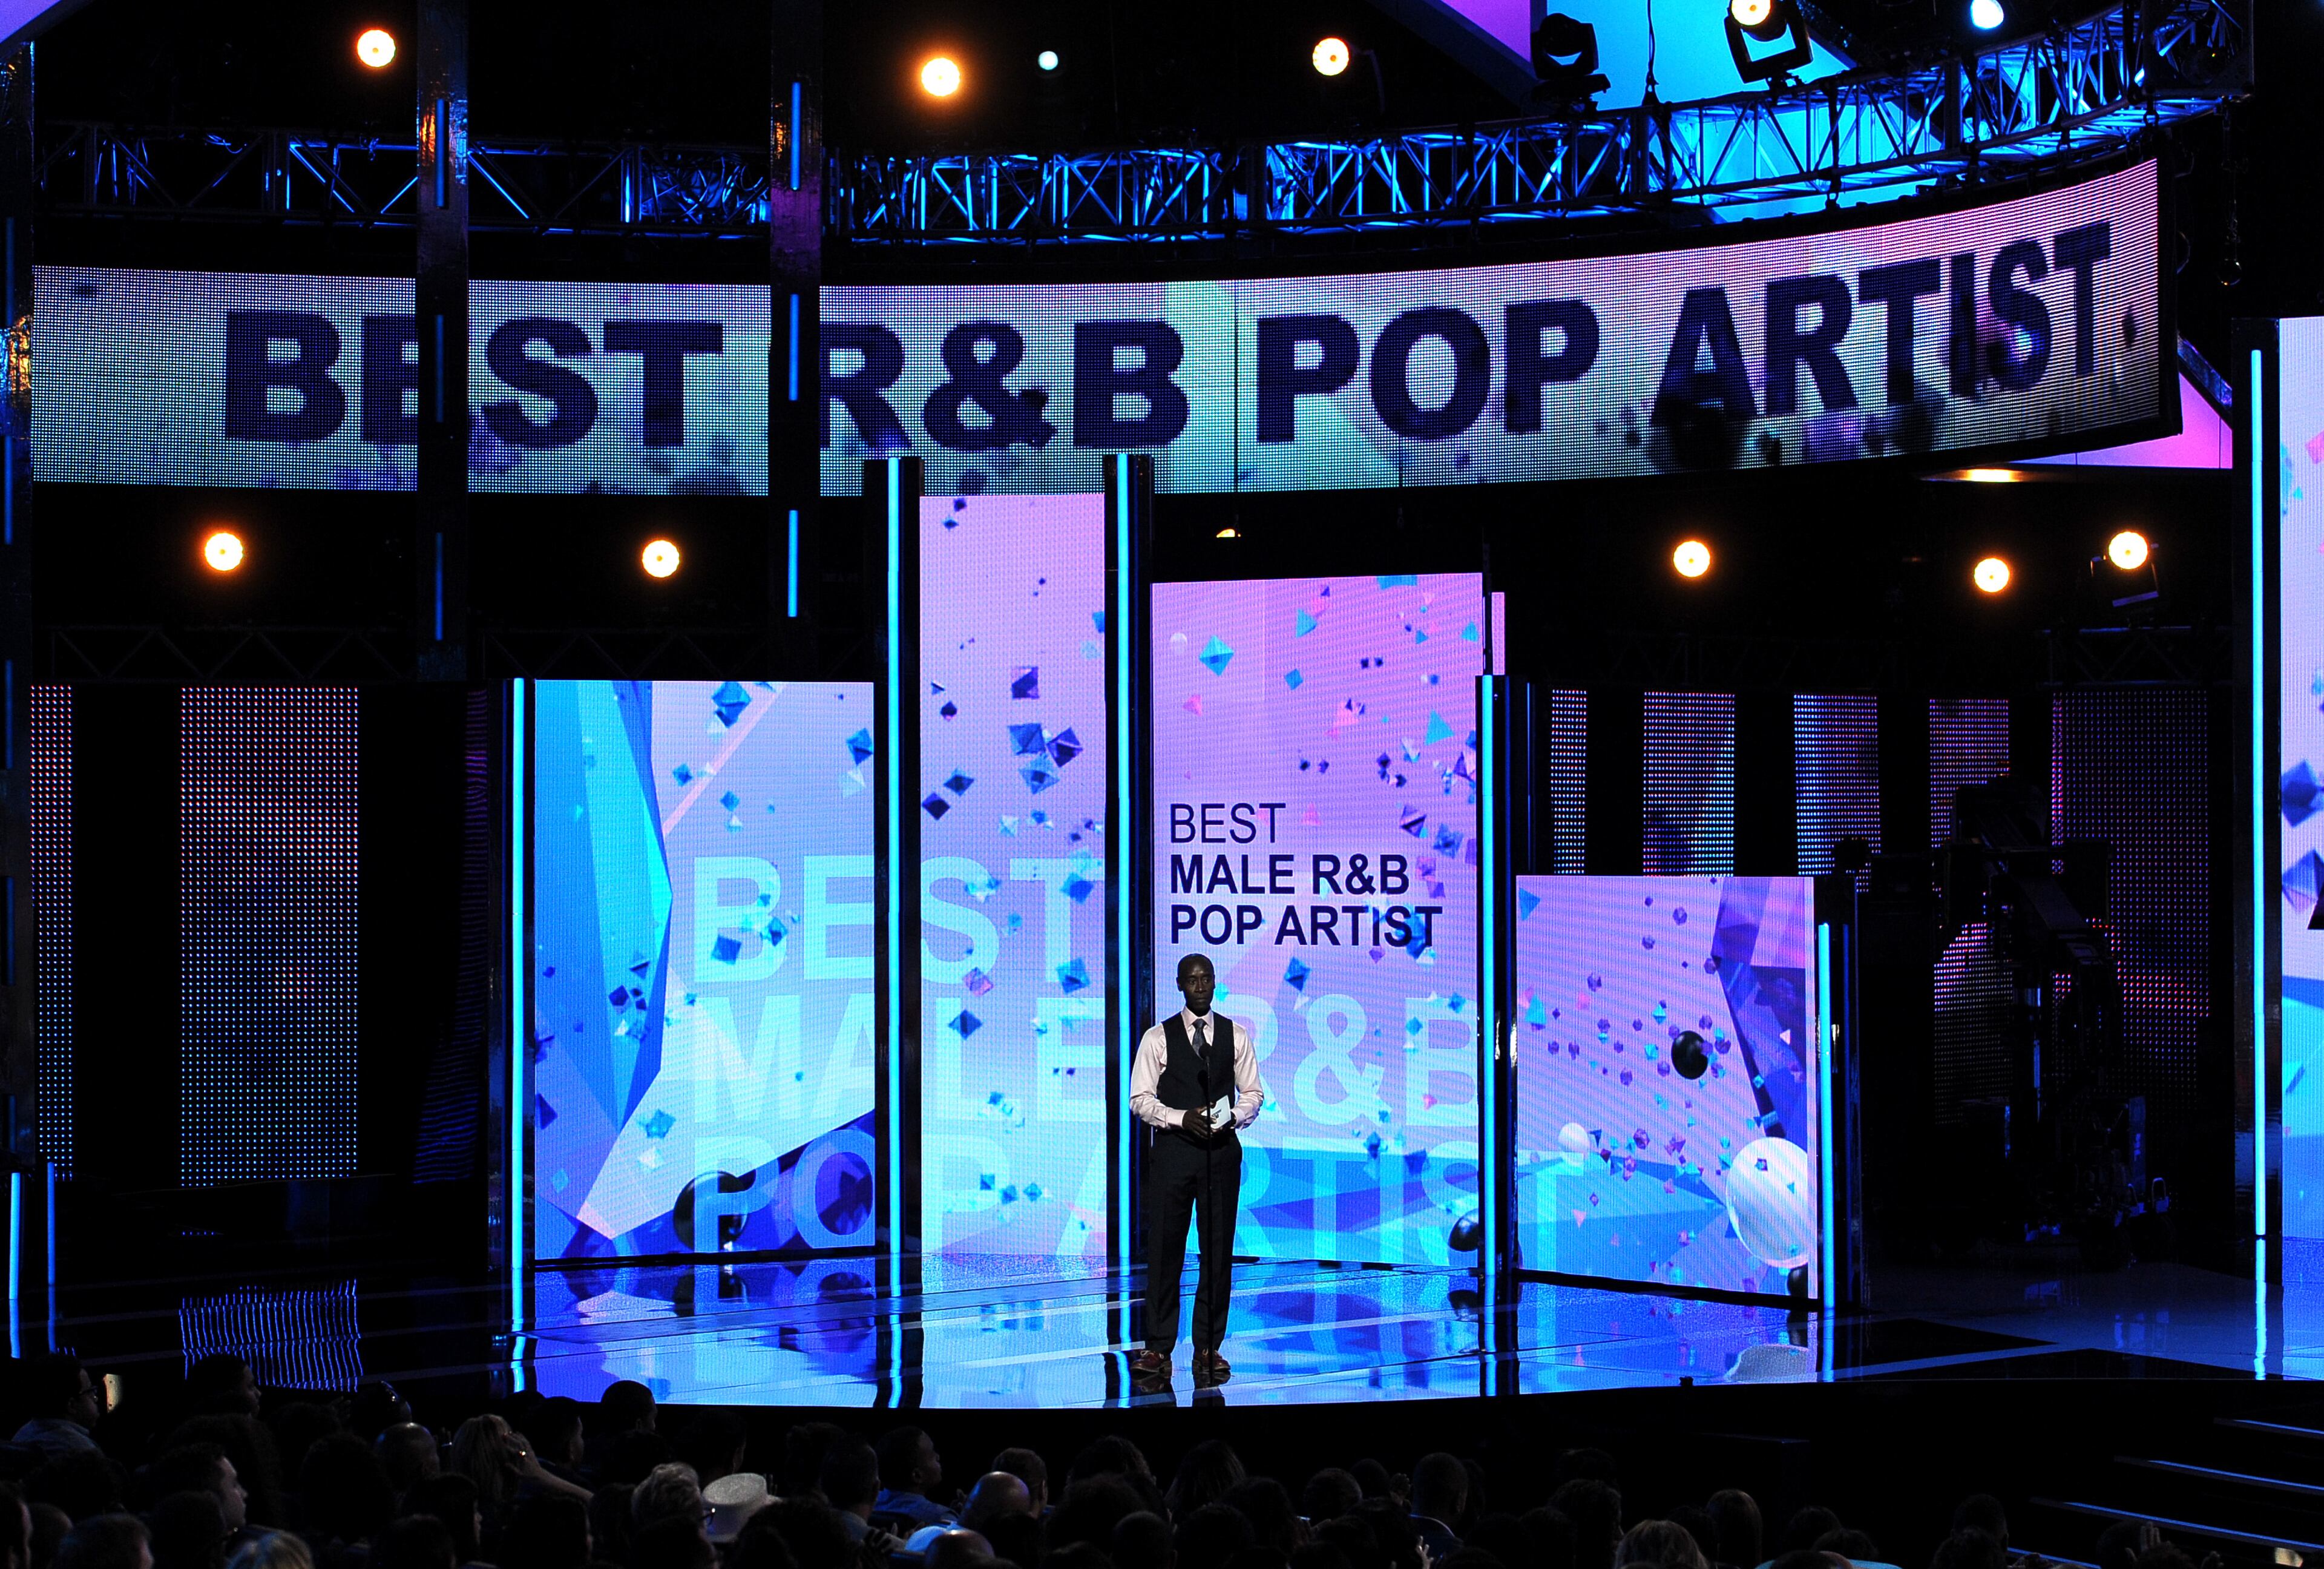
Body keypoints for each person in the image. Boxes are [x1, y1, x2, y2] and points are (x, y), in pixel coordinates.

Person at [1129, 952, 1266, 1386]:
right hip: (1173, 1153)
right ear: (1179, 984)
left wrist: (1232, 1117)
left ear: (1214, 983)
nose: (1201, 986)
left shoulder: (1236, 1035)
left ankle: (1208, 1346)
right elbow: (1140, 1099)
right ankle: (1158, 1345)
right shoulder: (1158, 1038)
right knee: (1166, 1252)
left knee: (1217, 1251)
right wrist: (1178, 1117)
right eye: (1192, 979)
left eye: (1207, 978)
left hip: (1220, 1154)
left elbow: (1254, 1093)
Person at [11, 1358, 105, 1461]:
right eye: (90, 1391)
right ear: (71, 1405)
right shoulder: (81, 1452)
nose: (95, 1398)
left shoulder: (24, 1434)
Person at [871, 1429, 953, 1531]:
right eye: (932, 1453)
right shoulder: (942, 1518)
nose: (938, 1457)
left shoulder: (867, 1505)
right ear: (917, 1476)